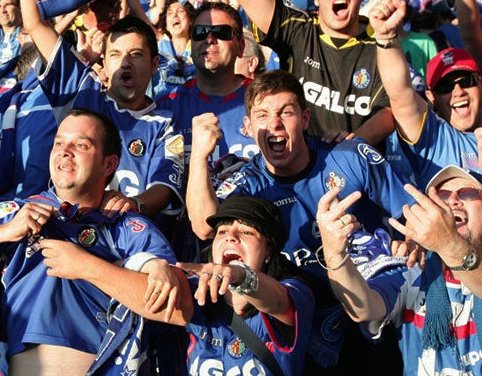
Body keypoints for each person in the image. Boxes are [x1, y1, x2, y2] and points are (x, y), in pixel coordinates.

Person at [0, 109, 192, 375]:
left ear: (109, 164)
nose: (65, 152)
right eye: (58, 143)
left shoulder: (127, 225)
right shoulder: (21, 212)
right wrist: (6, 232)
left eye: (81, 145)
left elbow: (179, 311)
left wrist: (85, 266)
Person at [186, 69, 413, 368]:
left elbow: (411, 211)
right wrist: (199, 157)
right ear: (247, 126)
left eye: (286, 113)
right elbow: (204, 227)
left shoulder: (350, 157)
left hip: (370, 314)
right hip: (301, 327)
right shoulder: (249, 184)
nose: (274, 124)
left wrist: (410, 241)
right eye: (262, 115)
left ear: (305, 119)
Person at [20, 0, 184, 218]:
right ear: (104, 62)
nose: (125, 62)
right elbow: (34, 24)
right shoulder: (83, 92)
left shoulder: (167, 124)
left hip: (130, 243)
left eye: (136, 55)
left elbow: (166, 187)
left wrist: (132, 204)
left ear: (154, 64)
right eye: (116, 55)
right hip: (69, 234)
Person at [221, 0, 394, 145]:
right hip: (300, 169)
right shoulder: (296, 31)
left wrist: (352, 143)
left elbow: (392, 111)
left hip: (358, 167)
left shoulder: (382, 43)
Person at [317, 164, 482, 374]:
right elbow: (363, 308)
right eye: (442, 195)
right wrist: (335, 255)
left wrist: (450, 246)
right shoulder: (414, 267)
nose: (453, 201)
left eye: (468, 193)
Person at [175, 195, 314, 375]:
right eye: (222, 231)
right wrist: (152, 265)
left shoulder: (295, 291)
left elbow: (279, 302)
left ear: (268, 251)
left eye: (247, 232)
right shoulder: (194, 291)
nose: (231, 237)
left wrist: (242, 276)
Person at [369, 0, 482, 187]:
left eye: (466, 81)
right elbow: (400, 94)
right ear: (432, 96)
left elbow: (472, 36)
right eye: (445, 86)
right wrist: (386, 37)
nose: (458, 91)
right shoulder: (433, 138)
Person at [156, 2, 258, 166]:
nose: (209, 39)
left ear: (240, 46)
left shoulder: (265, 99)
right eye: (200, 32)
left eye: (222, 32)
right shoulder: (167, 106)